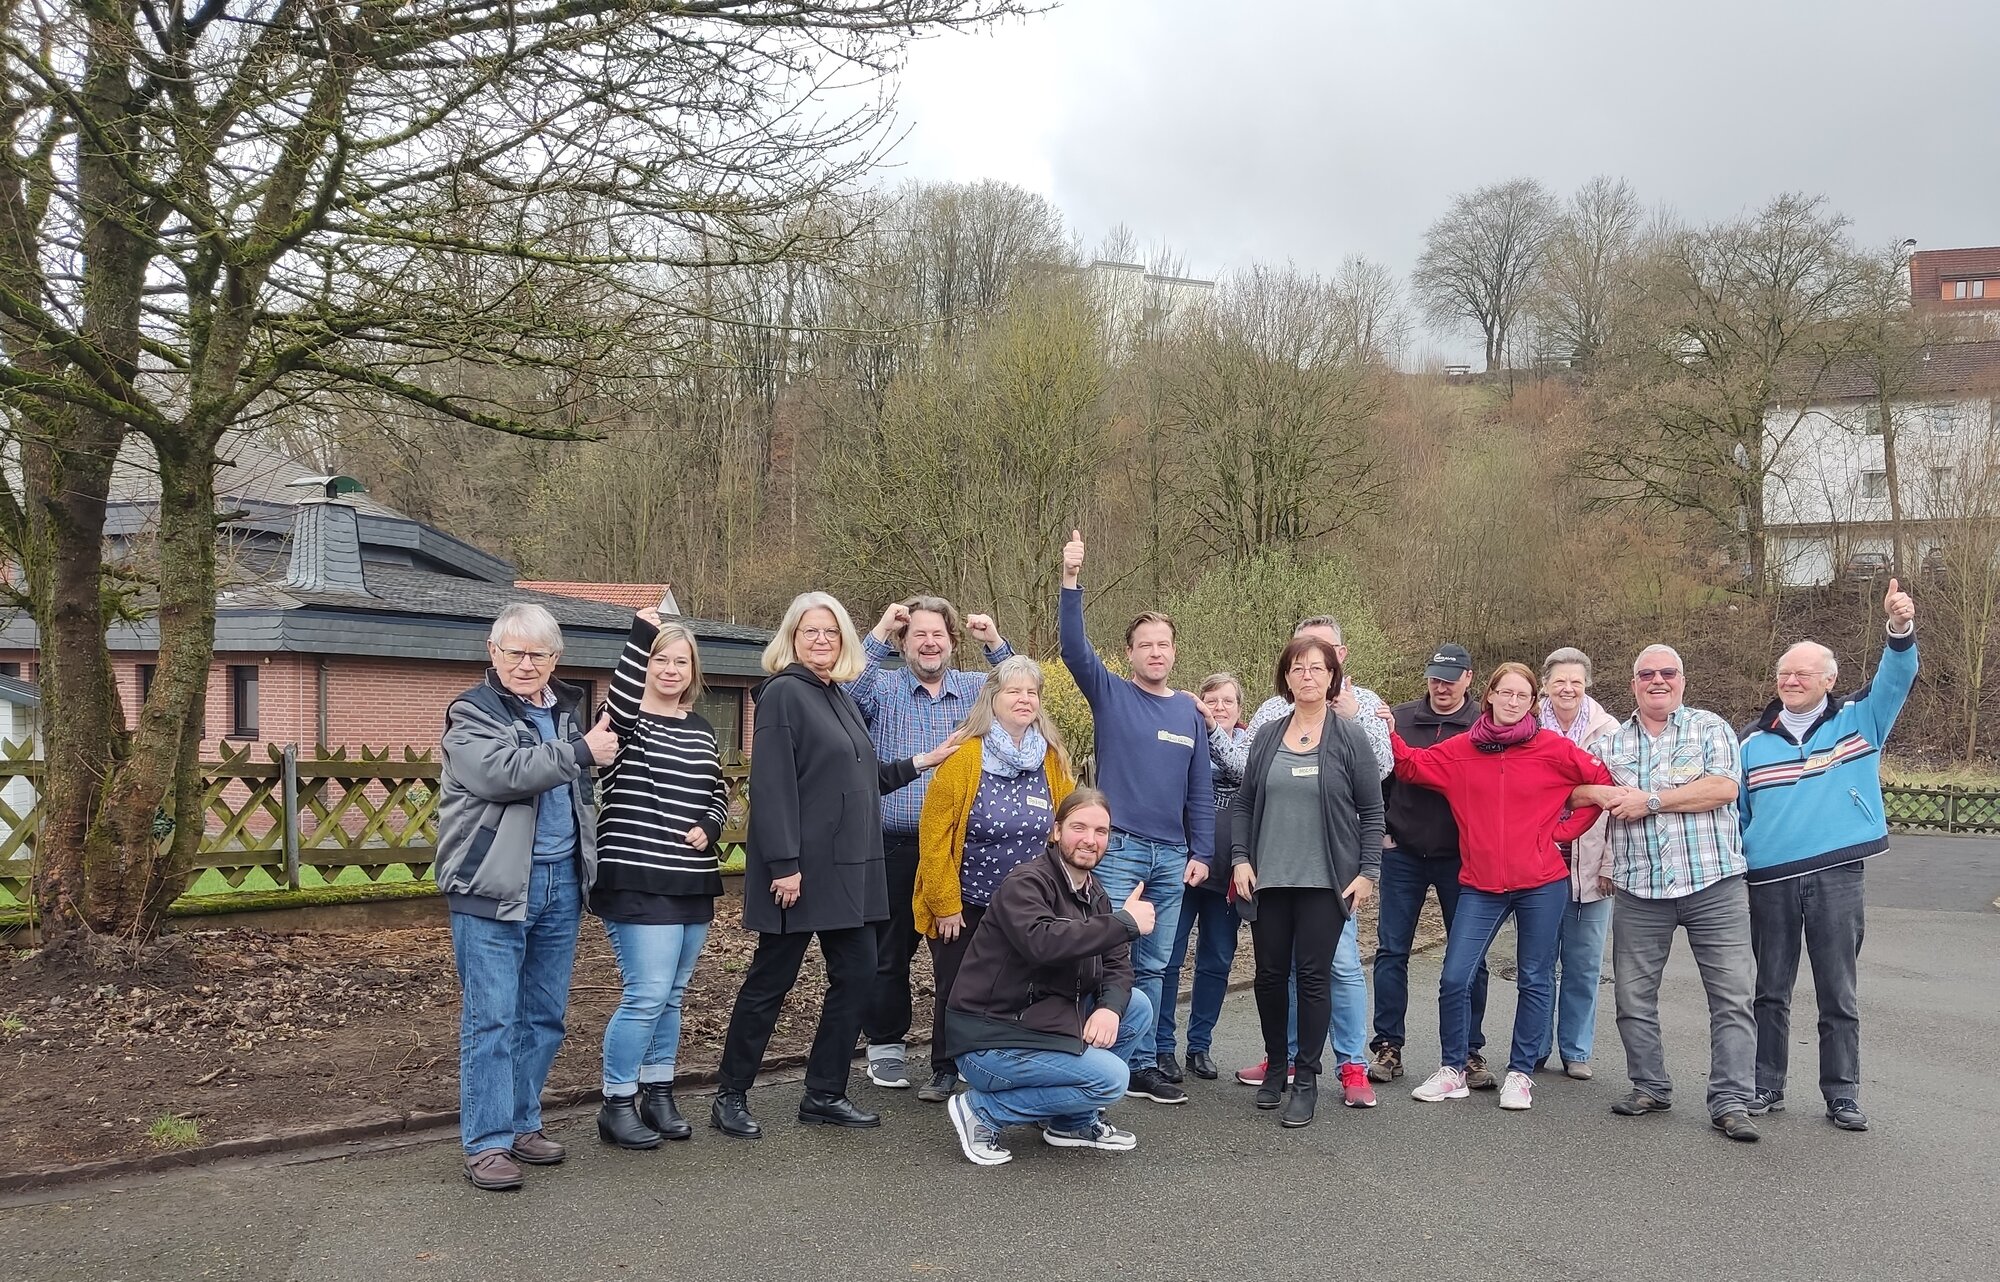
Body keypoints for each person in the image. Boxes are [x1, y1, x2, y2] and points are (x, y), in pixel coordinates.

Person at [711, 592, 960, 1140]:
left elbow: (860, 778)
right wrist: (782, 864)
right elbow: (772, 785)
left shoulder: (838, 698)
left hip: (851, 870)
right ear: (792, 639)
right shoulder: (783, 695)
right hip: (799, 872)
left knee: (857, 977)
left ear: (843, 640)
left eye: (830, 632)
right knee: (770, 982)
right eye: (810, 632)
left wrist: (924, 760)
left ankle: (824, 1092)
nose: (821, 641)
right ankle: (731, 1093)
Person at [437, 603, 618, 1190]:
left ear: (554, 658)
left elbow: (580, 791)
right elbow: (500, 774)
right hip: (491, 884)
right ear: (493, 653)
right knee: (491, 1019)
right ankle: (486, 1145)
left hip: (560, 882)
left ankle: (520, 1123)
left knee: (544, 1016)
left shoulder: (566, 713)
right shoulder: (472, 711)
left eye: (537, 654)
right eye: (513, 652)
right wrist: (581, 752)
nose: (525, 663)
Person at [1378, 663, 1613, 1112]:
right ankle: (1453, 1070)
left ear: (1533, 703)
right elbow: (1410, 766)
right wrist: (1387, 729)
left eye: (1521, 696)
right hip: (1481, 884)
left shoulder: (1554, 749)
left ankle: (1520, 1074)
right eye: (1505, 693)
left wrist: (1562, 834)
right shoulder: (1461, 749)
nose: (1512, 701)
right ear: (1489, 696)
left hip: (1541, 883)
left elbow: (1601, 784)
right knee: (1454, 976)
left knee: (1535, 977)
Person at [1739, 580, 1917, 1133]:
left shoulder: (1860, 719)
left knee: (1837, 990)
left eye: (1803, 673)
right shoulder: (1749, 743)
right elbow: (1738, 814)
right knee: (1769, 990)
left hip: (1837, 875)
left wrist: (1899, 629)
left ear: (1829, 681)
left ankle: (1841, 1094)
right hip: (1769, 880)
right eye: (1784, 674)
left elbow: (1897, 677)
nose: (1791, 681)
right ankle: (1765, 1084)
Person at [1574, 646, 1761, 1142]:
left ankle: (1731, 1100)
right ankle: (1650, 1087)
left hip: (1714, 884)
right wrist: (1597, 794)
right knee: (1633, 998)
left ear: (1682, 679)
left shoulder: (1710, 727)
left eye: (1668, 673)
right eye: (1646, 674)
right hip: (1639, 888)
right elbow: (1574, 789)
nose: (1658, 680)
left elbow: (1723, 789)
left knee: (1733, 998)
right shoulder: (1610, 744)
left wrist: (1650, 801)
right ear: (1633, 683)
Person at [1059, 529, 1213, 1106]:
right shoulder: (1111, 693)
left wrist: (1202, 852)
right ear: (1130, 653)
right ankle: (1100, 1058)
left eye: (1164, 644)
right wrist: (1070, 580)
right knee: (1109, 954)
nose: (1155, 652)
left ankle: (1144, 1062)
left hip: (1173, 858)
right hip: (1119, 850)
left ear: (1175, 651)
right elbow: (1074, 649)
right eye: (1145, 644)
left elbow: (1199, 788)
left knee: (1158, 963)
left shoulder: (1188, 711)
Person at [847, 597, 1013, 1098]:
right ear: (904, 642)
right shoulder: (883, 687)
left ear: (951, 641)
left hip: (960, 847)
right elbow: (843, 690)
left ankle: (956, 1051)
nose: (928, 642)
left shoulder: (971, 689)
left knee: (958, 955)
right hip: (894, 842)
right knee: (888, 952)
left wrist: (996, 644)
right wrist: (877, 630)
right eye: (917, 634)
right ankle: (886, 1046)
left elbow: (1022, 687)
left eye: (937, 634)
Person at [942, 788, 1157, 1166]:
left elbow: (1117, 965)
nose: (1091, 840)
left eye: (1101, 831)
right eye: (1080, 827)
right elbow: (1042, 942)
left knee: (1134, 1006)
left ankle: (1071, 1122)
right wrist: (1124, 923)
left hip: (1042, 1024)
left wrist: (1109, 1008)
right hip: (991, 1039)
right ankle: (983, 1111)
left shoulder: (1094, 892)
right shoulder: (1026, 883)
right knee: (1109, 1080)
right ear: (1056, 831)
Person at [1233, 616, 1391, 1108]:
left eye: (1316, 668)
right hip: (1270, 879)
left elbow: (1372, 809)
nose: (1307, 675)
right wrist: (1240, 859)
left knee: (1315, 976)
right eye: (1297, 668)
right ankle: (1276, 1068)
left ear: (1331, 676)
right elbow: (1243, 803)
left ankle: (1306, 1080)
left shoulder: (1350, 737)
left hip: (1327, 882)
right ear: (1286, 677)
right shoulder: (1266, 736)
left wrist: (1368, 872)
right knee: (1269, 977)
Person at [589, 609, 733, 1149]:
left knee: (672, 995)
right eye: (659, 659)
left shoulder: (699, 727)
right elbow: (623, 694)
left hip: (691, 877)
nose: (669, 669)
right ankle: (617, 1102)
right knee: (645, 993)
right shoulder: (619, 720)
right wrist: (640, 634)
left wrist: (711, 825)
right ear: (644, 665)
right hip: (636, 876)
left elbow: (717, 789)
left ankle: (659, 1091)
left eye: (680, 661)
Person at [913, 655, 1077, 1103]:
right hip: (967, 900)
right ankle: (946, 1066)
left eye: (1031, 692)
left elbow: (1067, 825)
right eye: (1014, 691)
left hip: (1030, 905)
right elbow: (934, 833)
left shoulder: (1051, 758)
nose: (1024, 699)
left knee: (1023, 986)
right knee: (957, 986)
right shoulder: (965, 756)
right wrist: (944, 902)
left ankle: (1006, 1063)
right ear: (993, 700)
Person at [1371, 643, 1493, 1089]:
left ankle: (1469, 1051)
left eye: (1451, 677)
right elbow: (1377, 776)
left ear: (1468, 678)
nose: (1441, 686)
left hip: (1460, 858)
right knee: (1390, 952)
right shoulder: (1398, 720)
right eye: (1435, 677)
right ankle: (1388, 1046)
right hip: (1402, 852)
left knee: (1469, 959)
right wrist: (1381, 828)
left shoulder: (1485, 724)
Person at [1531, 647, 1622, 1081]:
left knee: (1584, 966)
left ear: (1587, 684)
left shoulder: (1609, 732)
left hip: (1590, 868)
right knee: (1538, 965)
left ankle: (1576, 1050)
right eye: (1559, 681)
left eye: (1576, 681)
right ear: (1545, 684)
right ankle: (1533, 1049)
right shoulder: (1527, 727)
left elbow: (1617, 802)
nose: (1568, 689)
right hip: (1538, 865)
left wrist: (1610, 863)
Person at [1159, 674, 1249, 1083]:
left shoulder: (1253, 745)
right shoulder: (1186, 743)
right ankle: (1161, 1046)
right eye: (1210, 700)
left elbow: (1241, 771)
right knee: (1168, 959)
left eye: (1227, 701)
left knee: (1215, 962)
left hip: (1229, 878)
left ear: (1239, 708)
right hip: (1183, 870)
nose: (1218, 707)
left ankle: (1200, 1046)